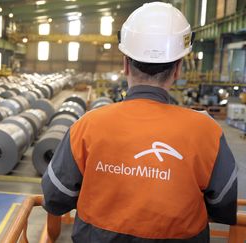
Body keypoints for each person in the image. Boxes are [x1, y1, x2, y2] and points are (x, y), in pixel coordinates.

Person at [41, 2, 237, 242]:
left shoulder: (88, 125)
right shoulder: (207, 132)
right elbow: (222, 203)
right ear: (178, 69)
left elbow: (55, 197)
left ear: (125, 65)